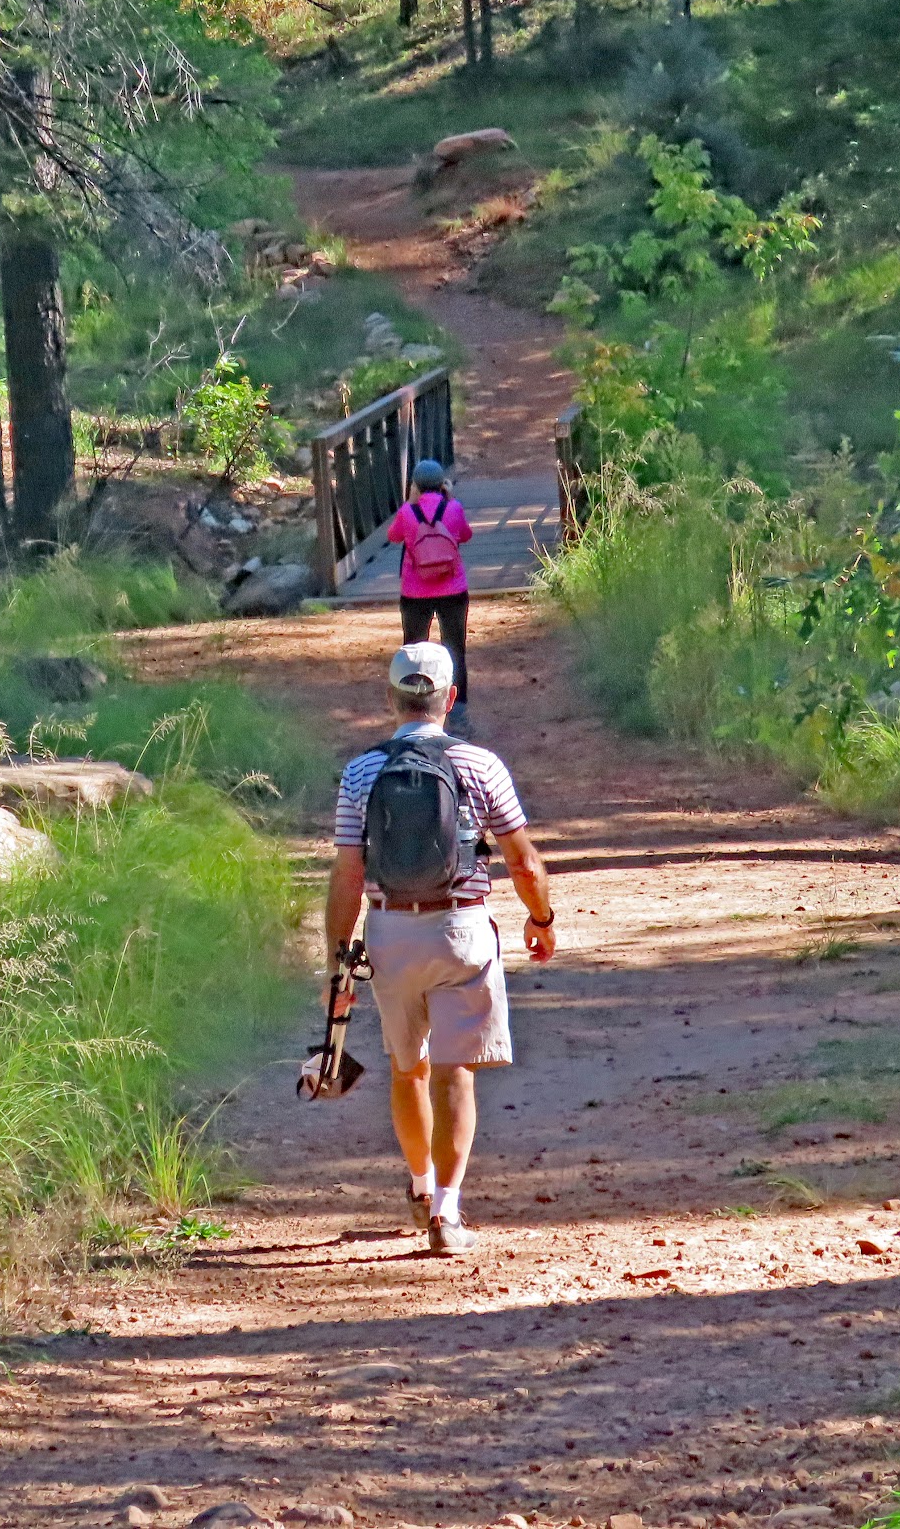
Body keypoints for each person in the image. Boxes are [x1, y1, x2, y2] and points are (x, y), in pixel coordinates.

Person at [324, 641, 555, 1256]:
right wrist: (542, 919)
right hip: (461, 929)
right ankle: (447, 1214)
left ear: (391, 699)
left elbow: (348, 872)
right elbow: (523, 860)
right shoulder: (481, 765)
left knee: (409, 1068)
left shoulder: (360, 772)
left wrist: (337, 953)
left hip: (390, 931)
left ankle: (420, 1186)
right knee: (455, 1071)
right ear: (450, 698)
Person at [389, 460, 473, 735]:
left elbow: (394, 536)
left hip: (415, 591)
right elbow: (465, 535)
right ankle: (458, 713)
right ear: (442, 484)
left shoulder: (407, 512)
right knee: (455, 649)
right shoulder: (454, 508)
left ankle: (413, 711)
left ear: (414, 485)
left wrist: (410, 503)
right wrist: (450, 502)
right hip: (453, 589)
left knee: (413, 650)